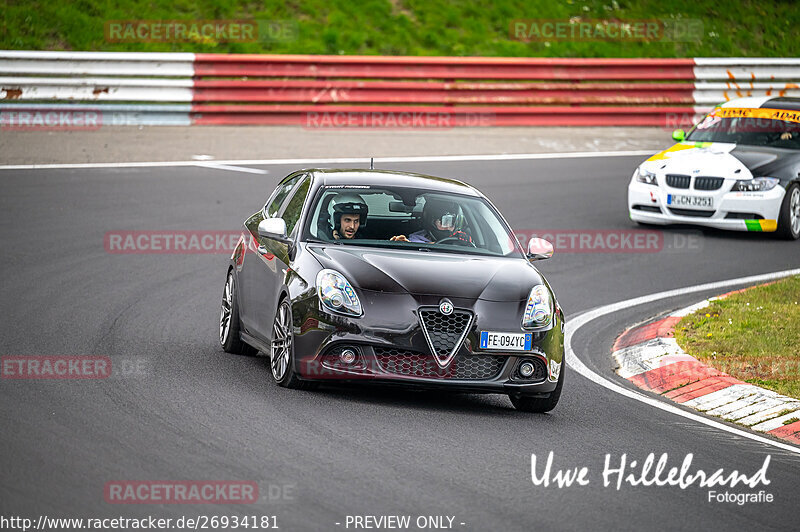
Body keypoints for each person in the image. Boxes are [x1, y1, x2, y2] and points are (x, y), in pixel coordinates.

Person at [390, 197, 472, 244]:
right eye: (445, 221)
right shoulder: (414, 242)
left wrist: (466, 245)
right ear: (431, 221)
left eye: (453, 222)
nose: (449, 228)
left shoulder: (459, 240)